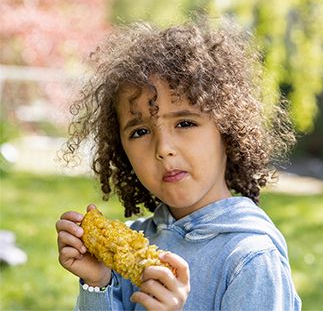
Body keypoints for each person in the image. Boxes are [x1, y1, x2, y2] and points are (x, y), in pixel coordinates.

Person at [56, 19, 301, 310]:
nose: (164, 149)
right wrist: (98, 285)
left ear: (227, 131)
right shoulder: (133, 245)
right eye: (140, 132)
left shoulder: (250, 258)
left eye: (185, 123)